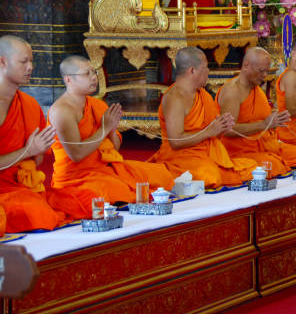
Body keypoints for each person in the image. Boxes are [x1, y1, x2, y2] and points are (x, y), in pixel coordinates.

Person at [47, 55, 174, 220]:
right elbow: (76, 154)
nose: (94, 77)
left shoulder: (97, 105)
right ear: (68, 79)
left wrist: (112, 130)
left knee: (161, 175)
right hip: (76, 177)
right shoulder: (62, 111)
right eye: (87, 74)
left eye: (94, 72)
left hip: (105, 169)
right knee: (116, 191)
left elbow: (113, 149)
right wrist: (104, 128)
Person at [148, 47, 257, 189]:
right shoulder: (175, 97)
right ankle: (172, 176)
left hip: (207, 156)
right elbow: (175, 141)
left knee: (253, 167)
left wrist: (221, 127)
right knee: (210, 175)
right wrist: (208, 131)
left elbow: (212, 134)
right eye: (205, 68)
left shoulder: (203, 95)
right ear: (192, 70)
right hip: (181, 158)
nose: (208, 72)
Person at [0, 35, 64, 234]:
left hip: (23, 187)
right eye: (23, 61)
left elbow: (35, 161)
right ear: (2, 62)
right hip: (4, 190)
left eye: (32, 61)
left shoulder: (29, 104)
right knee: (37, 213)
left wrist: (37, 150)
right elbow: (28, 152)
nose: (30, 67)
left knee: (72, 202)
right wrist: (29, 149)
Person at [216, 47, 296, 176]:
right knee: (274, 165)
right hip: (239, 152)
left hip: (266, 146)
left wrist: (275, 118)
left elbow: (259, 116)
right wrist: (264, 124)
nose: (265, 75)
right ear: (246, 65)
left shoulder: (256, 89)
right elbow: (228, 130)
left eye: (267, 71)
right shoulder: (232, 91)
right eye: (261, 71)